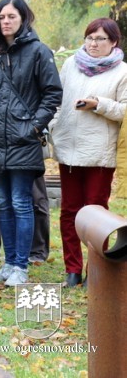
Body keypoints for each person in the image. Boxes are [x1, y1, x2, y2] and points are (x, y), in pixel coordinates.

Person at [0, 0, 62, 286]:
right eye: (2, 17)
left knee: (21, 202)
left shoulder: (38, 51)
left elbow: (52, 94)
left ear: (23, 18)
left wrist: (33, 128)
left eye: (11, 16)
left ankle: (20, 266)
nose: (6, 21)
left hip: (23, 141)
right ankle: (8, 263)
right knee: (3, 203)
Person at [49, 17, 127, 287]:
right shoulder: (71, 64)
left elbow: (124, 111)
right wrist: (54, 125)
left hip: (99, 154)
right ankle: (72, 270)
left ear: (113, 42)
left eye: (100, 39)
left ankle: (95, 271)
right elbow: (57, 101)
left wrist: (98, 104)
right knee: (69, 212)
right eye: (90, 38)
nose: (93, 44)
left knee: (95, 214)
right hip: (68, 150)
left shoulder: (122, 71)